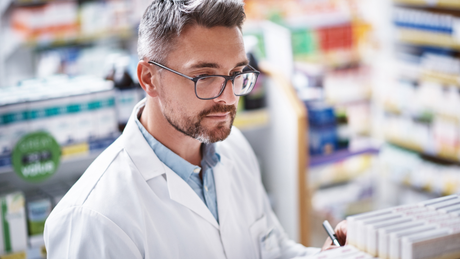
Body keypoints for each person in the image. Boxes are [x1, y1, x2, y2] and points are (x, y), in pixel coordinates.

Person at [44, 0, 347, 258]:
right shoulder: (95, 217)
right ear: (149, 78)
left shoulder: (234, 147)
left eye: (237, 74)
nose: (228, 98)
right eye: (205, 76)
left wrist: (331, 254)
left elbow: (274, 250)